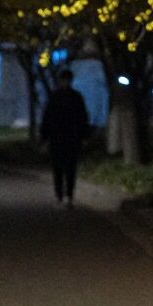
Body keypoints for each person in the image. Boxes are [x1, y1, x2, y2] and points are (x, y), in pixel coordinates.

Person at [39, 68, 90, 205]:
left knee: (69, 168)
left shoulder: (73, 97)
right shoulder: (58, 97)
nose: (66, 82)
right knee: (59, 168)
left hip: (69, 138)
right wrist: (44, 137)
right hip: (60, 137)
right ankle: (61, 194)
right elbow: (47, 118)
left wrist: (84, 136)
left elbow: (82, 118)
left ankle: (67, 195)